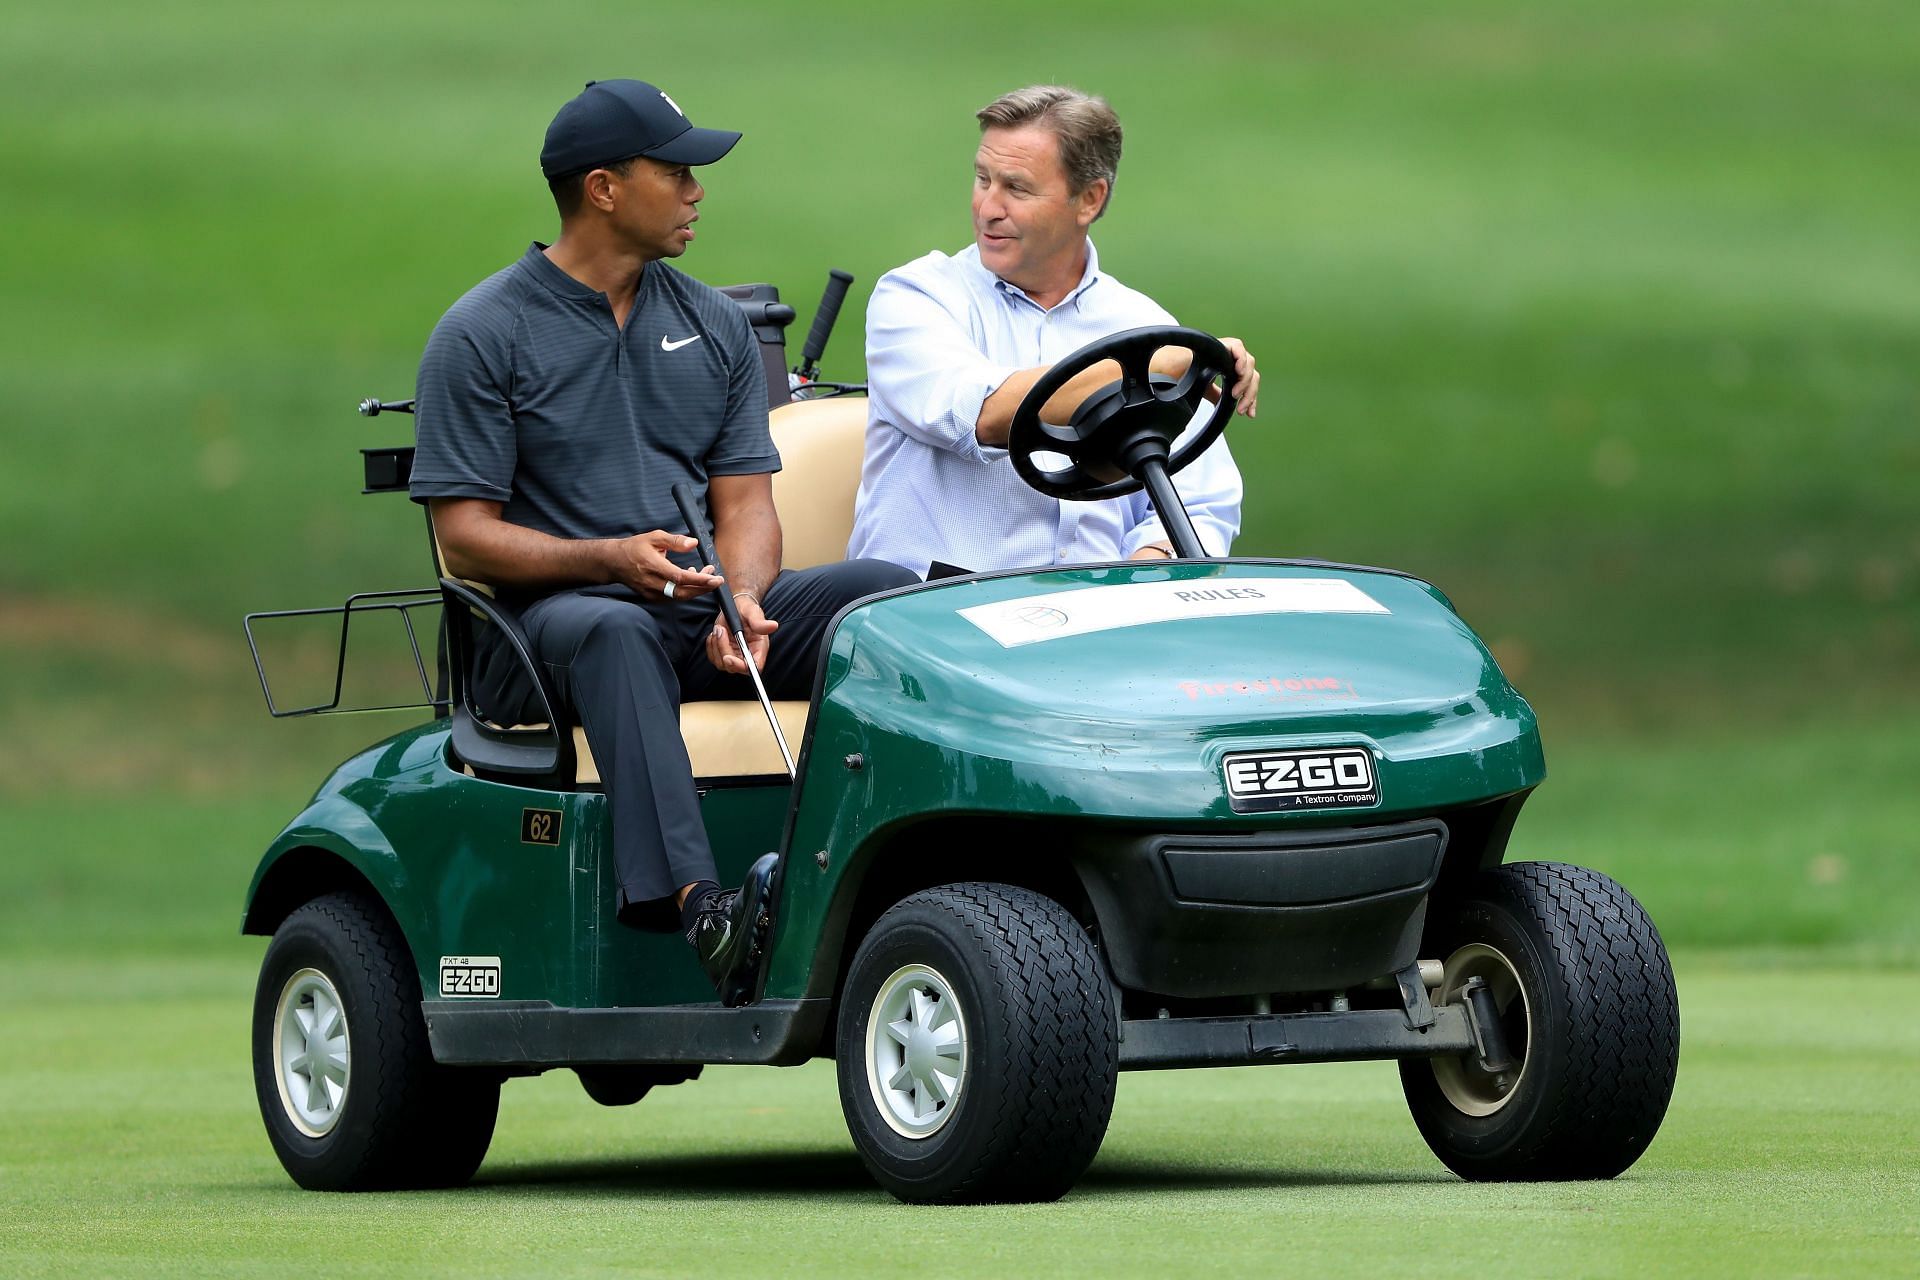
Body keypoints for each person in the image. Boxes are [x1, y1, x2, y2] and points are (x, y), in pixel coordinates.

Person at [407, 80, 914, 1002]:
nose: (696, 192)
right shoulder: (481, 334)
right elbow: (467, 538)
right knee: (617, 633)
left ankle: (895, 869)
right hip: (544, 631)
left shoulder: (713, 324)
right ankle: (704, 910)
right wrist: (606, 559)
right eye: (676, 172)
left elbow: (748, 509)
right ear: (603, 188)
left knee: (876, 590)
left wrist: (745, 599)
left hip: (691, 607)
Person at [849, 85, 1261, 579]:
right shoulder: (916, 296)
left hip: (1095, 614)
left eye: (1016, 188)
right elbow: (982, 413)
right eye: (983, 180)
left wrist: (1146, 569)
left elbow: (1203, 497)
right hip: (934, 609)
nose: (987, 207)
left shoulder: (1141, 322)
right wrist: (1159, 370)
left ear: (1089, 199)